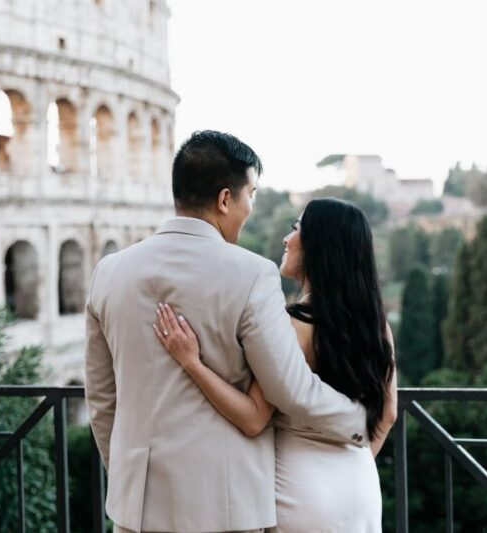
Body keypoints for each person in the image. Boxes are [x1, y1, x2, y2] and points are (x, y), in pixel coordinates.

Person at [85, 130, 369, 533]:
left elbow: (100, 399)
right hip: (227, 510)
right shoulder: (253, 275)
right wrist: (359, 418)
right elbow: (290, 388)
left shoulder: (108, 273)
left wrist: (129, 479)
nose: (250, 206)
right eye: (250, 194)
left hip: (137, 511)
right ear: (224, 199)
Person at [155, 197, 398, 532]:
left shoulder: (292, 327)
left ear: (320, 245)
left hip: (303, 493)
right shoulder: (377, 324)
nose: (287, 239)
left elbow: (253, 417)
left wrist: (192, 363)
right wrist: (347, 466)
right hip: (360, 484)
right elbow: (388, 414)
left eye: (296, 229)